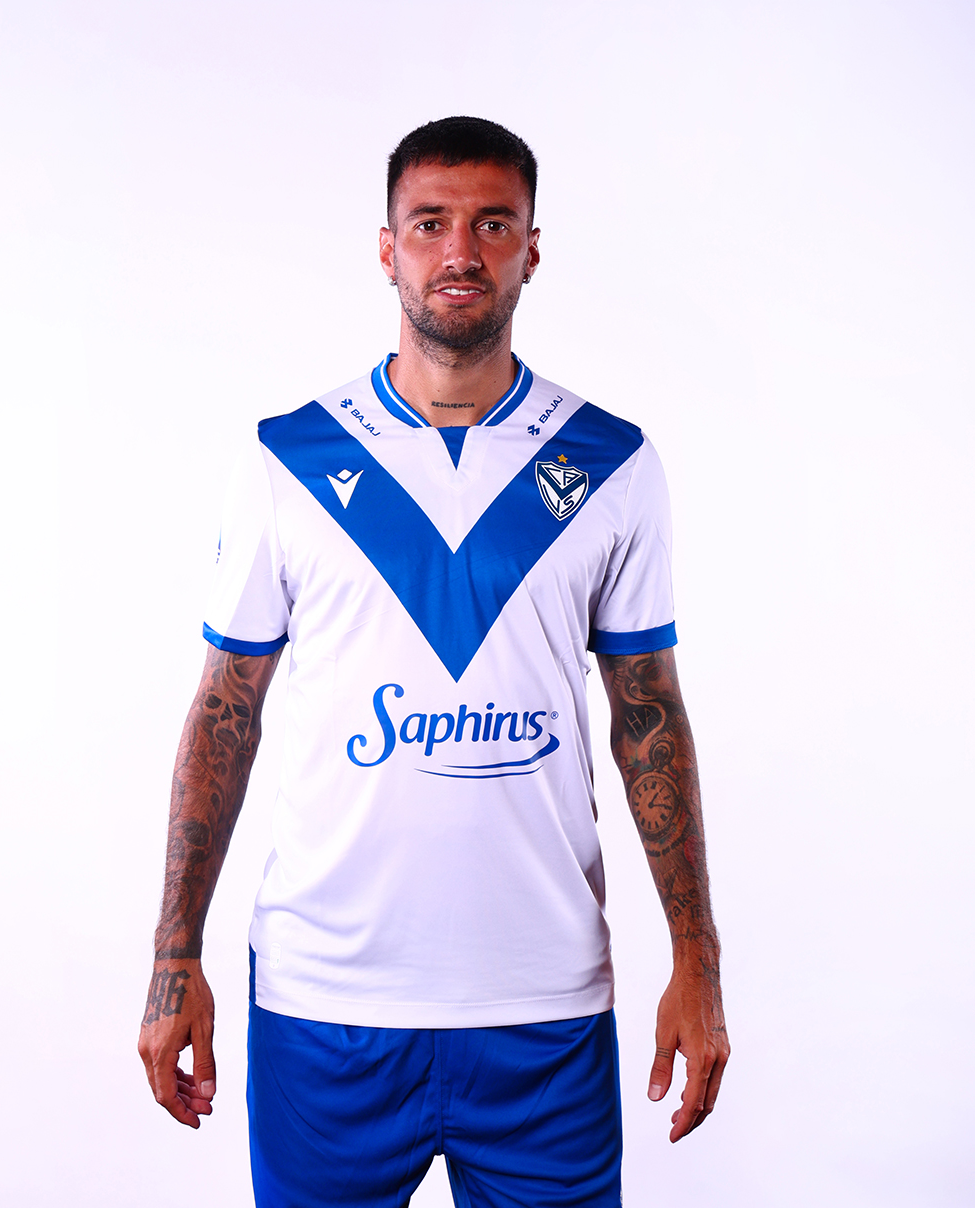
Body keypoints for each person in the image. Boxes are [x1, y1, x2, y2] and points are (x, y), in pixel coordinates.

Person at [138, 115, 728, 1207]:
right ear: (386, 248)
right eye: (430, 223)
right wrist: (176, 958)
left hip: (544, 1006)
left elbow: (648, 714)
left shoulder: (613, 463)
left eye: (492, 224)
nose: (460, 250)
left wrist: (698, 961)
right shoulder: (285, 459)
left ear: (531, 250)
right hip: (325, 1005)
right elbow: (225, 708)